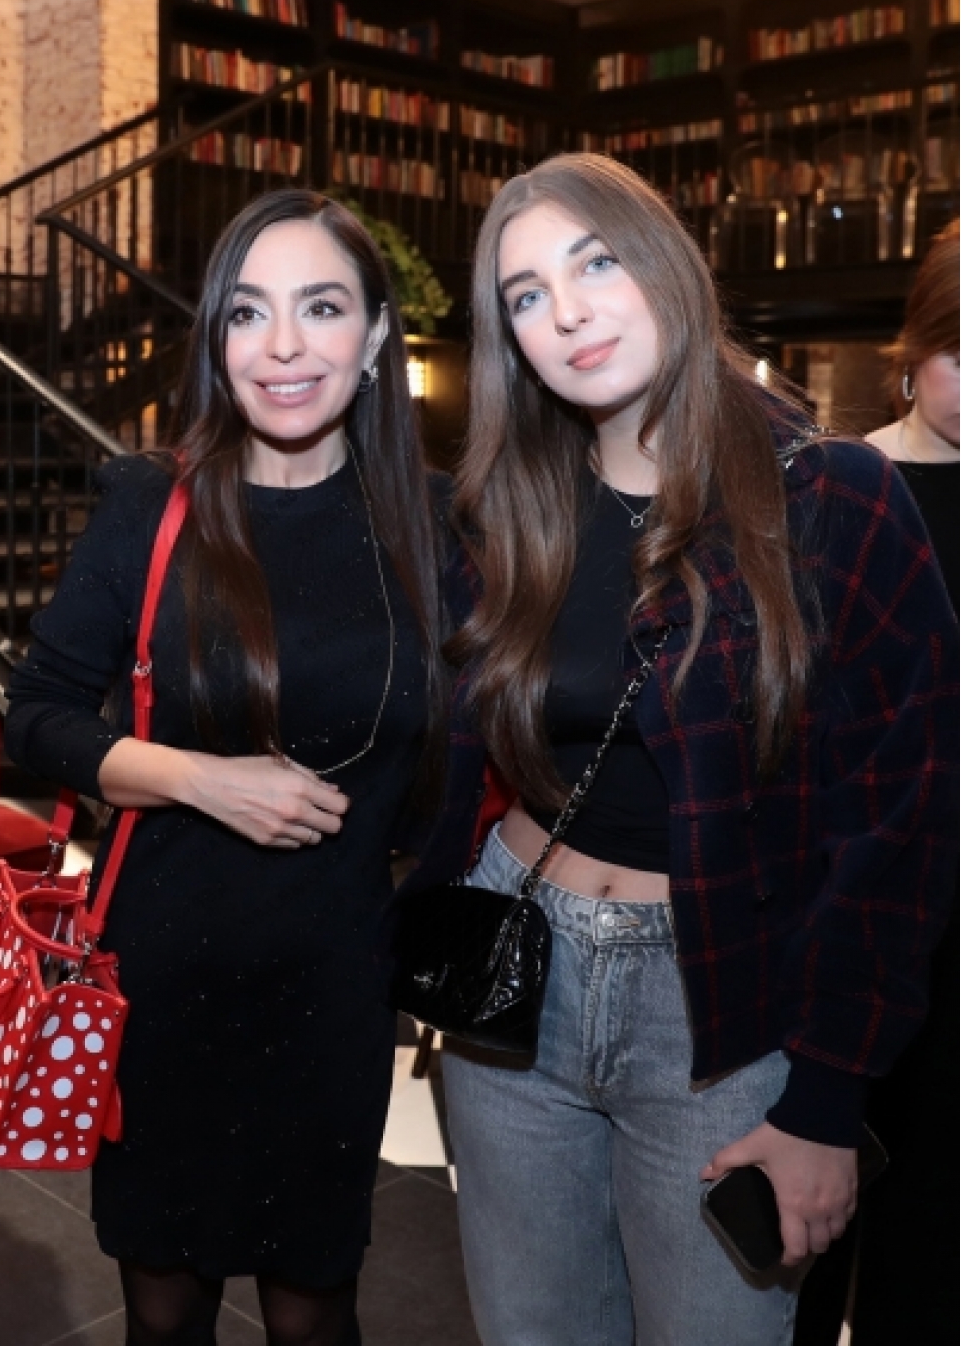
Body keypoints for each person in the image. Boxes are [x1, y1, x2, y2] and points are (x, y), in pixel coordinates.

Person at [403, 154, 958, 1346]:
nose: (567, 311)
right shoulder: (502, 509)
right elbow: (449, 756)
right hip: (518, 980)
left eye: (596, 261)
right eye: (526, 293)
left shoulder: (838, 498)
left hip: (722, 1002)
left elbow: (902, 827)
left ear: (665, 264)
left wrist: (826, 1100)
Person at [4, 188, 448, 1346]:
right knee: (163, 1312)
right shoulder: (150, 505)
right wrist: (202, 777)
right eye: (249, 312)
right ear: (217, 338)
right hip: (162, 981)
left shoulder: (438, 528)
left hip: (332, 989)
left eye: (321, 307)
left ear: (374, 336)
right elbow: (36, 719)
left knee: (315, 1312)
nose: (283, 344)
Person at [795, 218, 960, 1346]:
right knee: (805, 1221)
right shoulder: (838, 487)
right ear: (913, 346)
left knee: (934, 1233)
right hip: (851, 888)